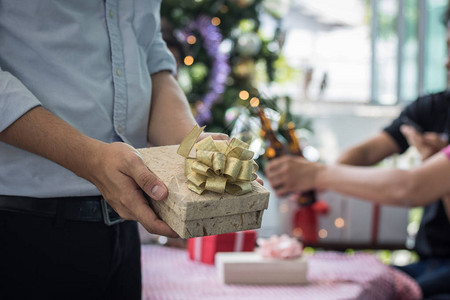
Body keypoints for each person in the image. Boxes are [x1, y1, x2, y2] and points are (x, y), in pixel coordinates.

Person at [0, 1, 227, 299]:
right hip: (23, 230)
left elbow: (148, 51)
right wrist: (89, 158)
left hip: (123, 232)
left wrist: (189, 145)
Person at [266, 5, 450, 300]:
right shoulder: (434, 107)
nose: (447, 62)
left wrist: (316, 174)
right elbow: (366, 154)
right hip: (428, 260)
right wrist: (320, 183)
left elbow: (409, 187)